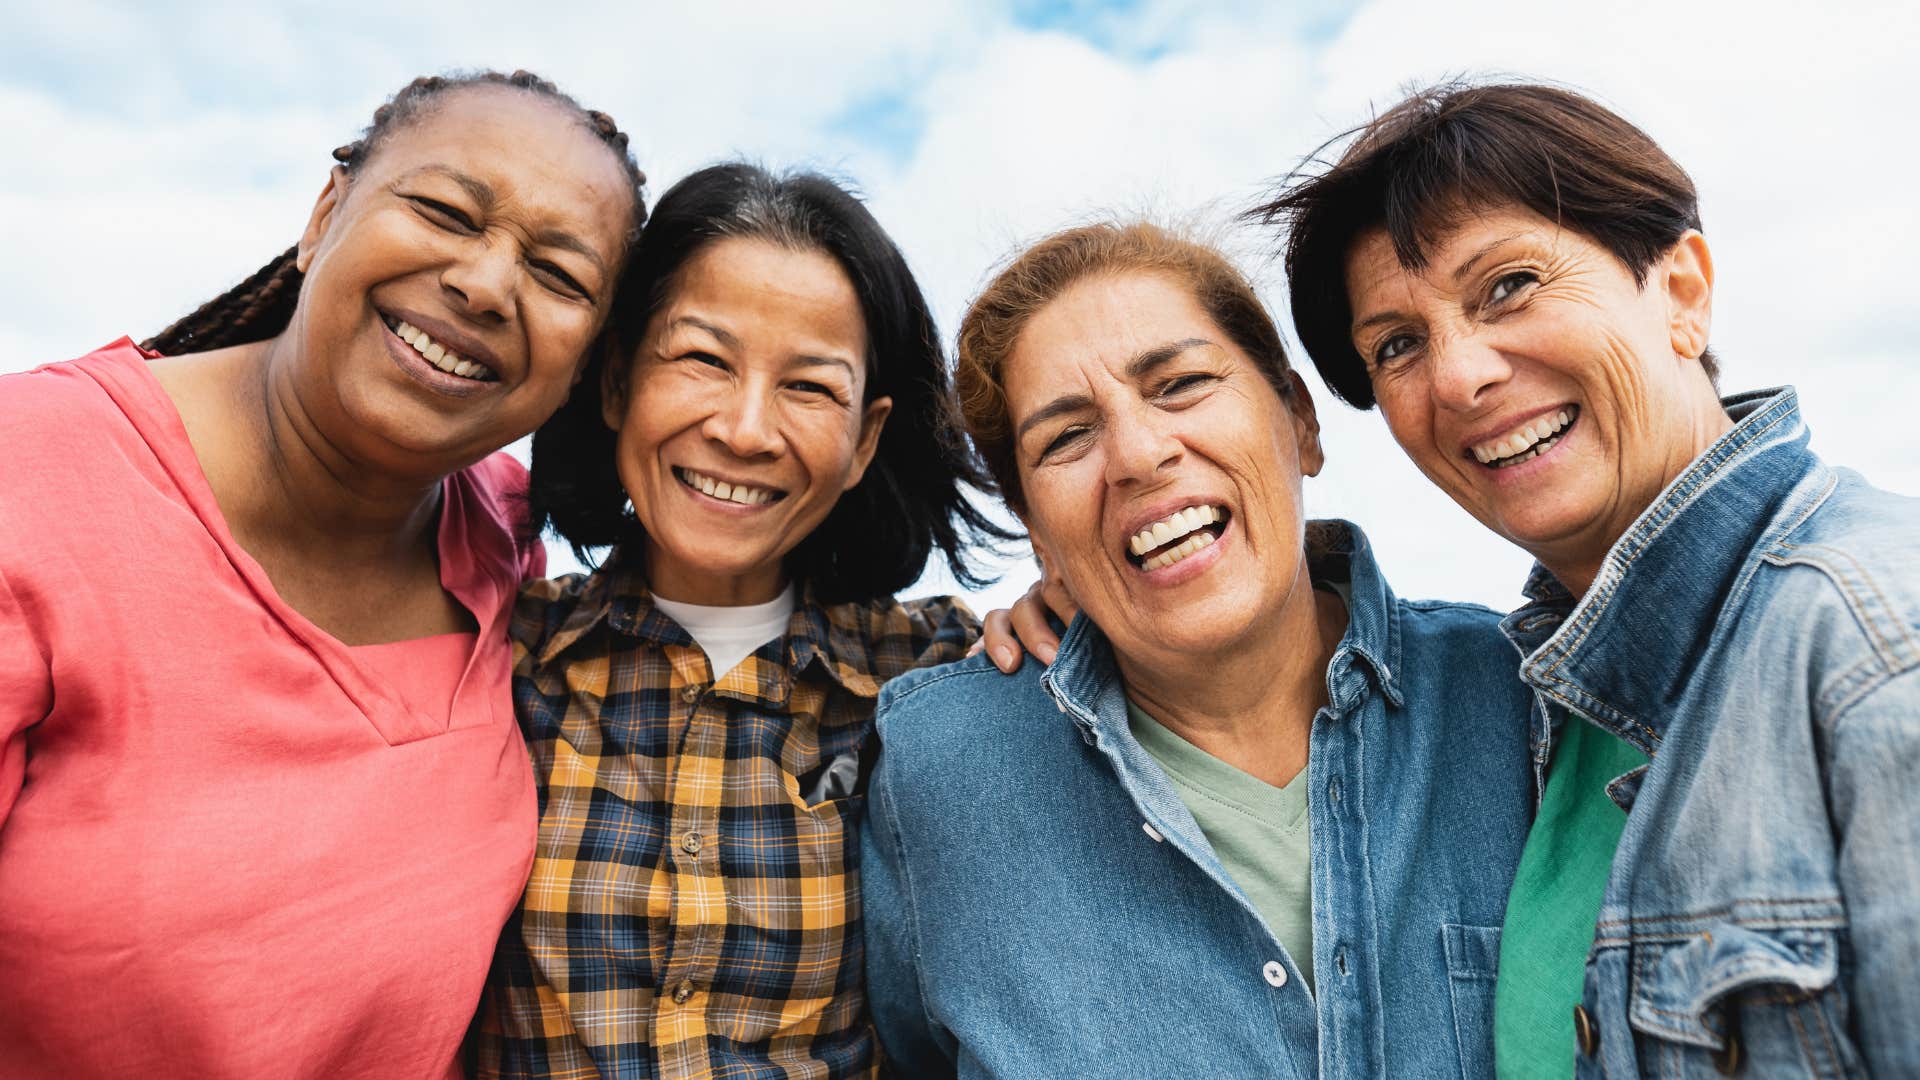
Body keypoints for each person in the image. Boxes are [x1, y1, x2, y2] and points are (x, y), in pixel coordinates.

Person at [1256, 81, 1920, 1077]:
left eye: (1510, 285)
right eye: (1397, 344)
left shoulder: (1876, 644)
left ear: (1682, 292)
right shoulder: (1523, 701)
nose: (1458, 377)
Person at [0, 71, 646, 1078]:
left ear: (586, 365)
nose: (484, 283)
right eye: (443, 211)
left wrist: (990, 635)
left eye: (560, 276)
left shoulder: (506, 542)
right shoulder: (27, 480)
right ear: (325, 214)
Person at [862, 221, 1536, 1078]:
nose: (1139, 455)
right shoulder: (941, 774)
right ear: (1036, 531)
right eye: (1066, 438)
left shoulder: (1520, 697)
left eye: (1180, 384)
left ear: (1299, 419)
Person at [477, 163, 1009, 1080]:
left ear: (864, 440)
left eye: (809, 387)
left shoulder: (947, 680)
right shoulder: (493, 659)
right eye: (702, 359)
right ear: (616, 384)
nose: (746, 429)